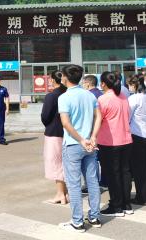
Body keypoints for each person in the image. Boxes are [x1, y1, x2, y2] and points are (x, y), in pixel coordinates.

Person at [58, 65, 101, 233]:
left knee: (74, 184)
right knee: (92, 181)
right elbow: (99, 116)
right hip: (90, 144)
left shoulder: (64, 97)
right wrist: (93, 136)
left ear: (65, 77)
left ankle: (77, 222)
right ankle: (94, 217)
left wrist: (81, 139)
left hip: (73, 144)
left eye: (62, 75)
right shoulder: (89, 95)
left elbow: (65, 123)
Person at [90, 72, 133, 217]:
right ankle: (126, 204)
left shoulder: (103, 99)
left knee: (113, 174)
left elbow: (98, 119)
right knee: (125, 172)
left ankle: (116, 206)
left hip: (109, 141)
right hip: (126, 139)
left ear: (103, 84)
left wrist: (93, 136)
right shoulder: (123, 97)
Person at [41, 70, 68, 204]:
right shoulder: (67, 93)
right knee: (64, 163)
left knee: (55, 163)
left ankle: (60, 194)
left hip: (54, 132)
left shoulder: (51, 96)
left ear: (52, 80)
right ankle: (66, 193)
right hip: (68, 132)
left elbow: (45, 117)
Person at [127, 75, 146, 205]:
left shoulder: (133, 98)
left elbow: (128, 117)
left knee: (139, 168)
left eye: (129, 85)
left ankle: (142, 197)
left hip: (137, 133)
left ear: (134, 85)